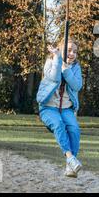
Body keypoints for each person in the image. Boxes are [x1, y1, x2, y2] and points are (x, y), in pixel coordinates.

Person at [36, 36, 83, 178]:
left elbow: (76, 85)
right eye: (68, 50)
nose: (72, 54)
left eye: (75, 51)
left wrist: (67, 69)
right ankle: (70, 158)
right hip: (48, 108)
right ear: (60, 50)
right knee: (58, 124)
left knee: (74, 129)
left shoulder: (75, 68)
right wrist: (58, 60)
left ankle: (71, 167)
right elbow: (54, 78)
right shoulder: (50, 62)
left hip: (67, 109)